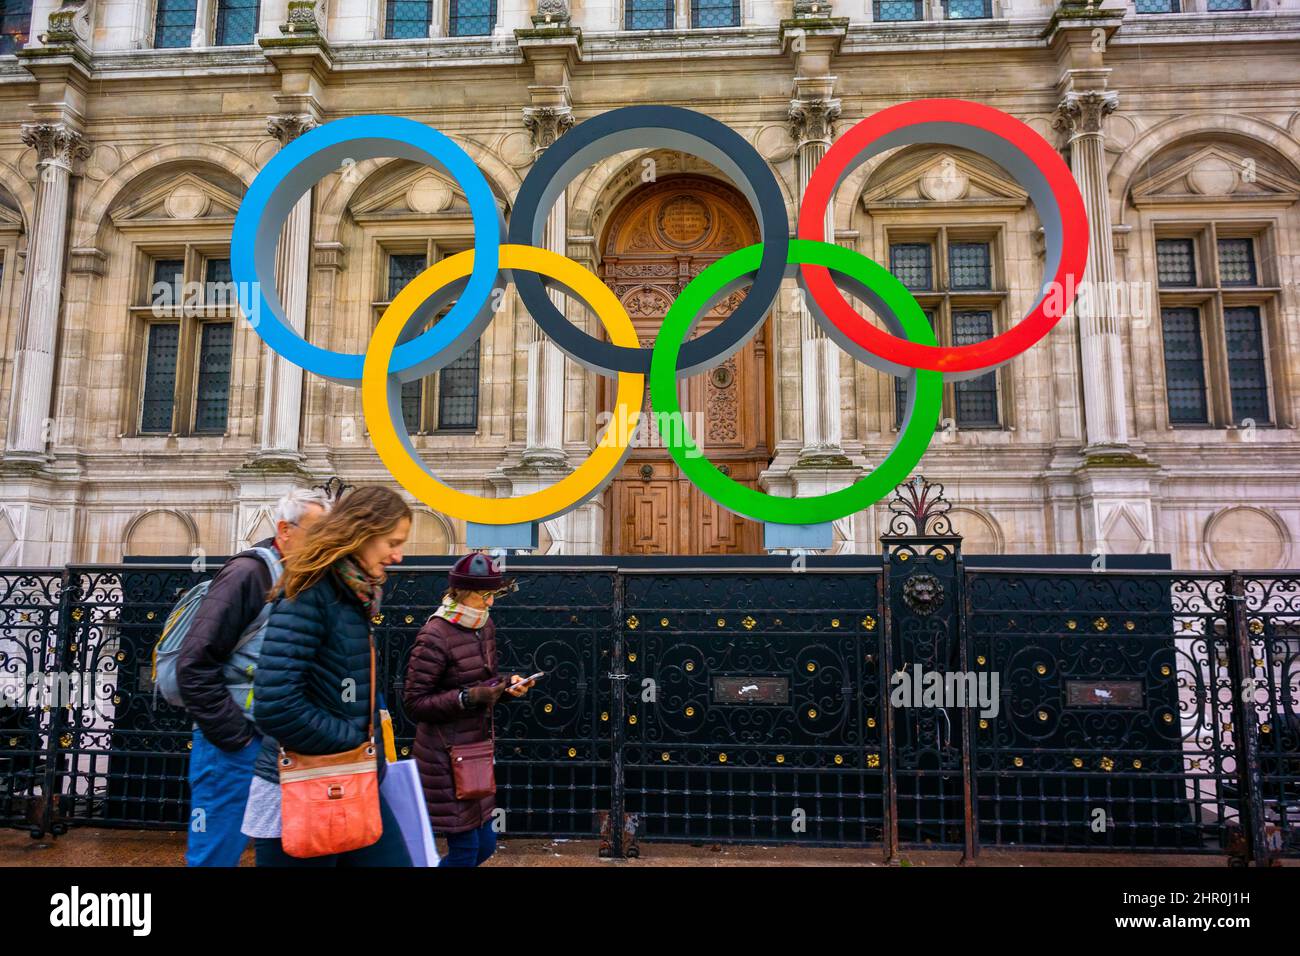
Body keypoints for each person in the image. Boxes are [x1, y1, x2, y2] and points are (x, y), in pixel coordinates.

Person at [240, 485, 414, 867]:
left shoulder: (353, 595)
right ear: (361, 533)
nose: (398, 555)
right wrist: (350, 740)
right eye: (392, 542)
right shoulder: (312, 592)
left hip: (351, 775)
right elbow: (275, 705)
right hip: (304, 785)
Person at [177, 488, 330, 867]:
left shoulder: (303, 579)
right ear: (285, 530)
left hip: (281, 747)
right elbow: (194, 664)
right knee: (215, 855)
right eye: (318, 534)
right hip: (235, 746)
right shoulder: (248, 573)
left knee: (278, 850)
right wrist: (237, 739)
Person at [404, 552, 534, 867]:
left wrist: (506, 687)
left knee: (485, 847)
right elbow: (414, 701)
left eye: (493, 595)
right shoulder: (435, 634)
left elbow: (483, 683)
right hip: (444, 757)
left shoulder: (483, 626)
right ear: (462, 592)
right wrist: (465, 699)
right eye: (484, 595)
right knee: (464, 852)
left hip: (475, 754)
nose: (490, 603)